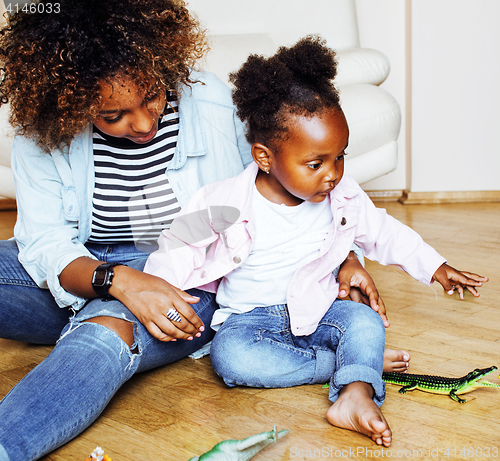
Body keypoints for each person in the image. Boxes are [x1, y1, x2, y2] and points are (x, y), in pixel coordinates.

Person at [0, 3, 395, 460]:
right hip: (84, 265)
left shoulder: (209, 98)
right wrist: (119, 281)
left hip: (191, 269)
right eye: (113, 116)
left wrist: (344, 258)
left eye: (153, 96)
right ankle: (88, 322)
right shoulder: (42, 132)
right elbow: (47, 243)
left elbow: (299, 180)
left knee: (107, 330)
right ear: (68, 100)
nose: (145, 124)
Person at [144, 36, 488, 447]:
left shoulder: (341, 196)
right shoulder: (224, 200)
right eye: (316, 163)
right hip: (251, 320)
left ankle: (355, 394)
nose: (333, 173)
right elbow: (178, 244)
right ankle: (352, 365)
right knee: (231, 360)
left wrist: (435, 267)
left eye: (340, 156)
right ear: (264, 157)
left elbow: (383, 231)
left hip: (322, 310)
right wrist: (159, 290)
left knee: (363, 321)